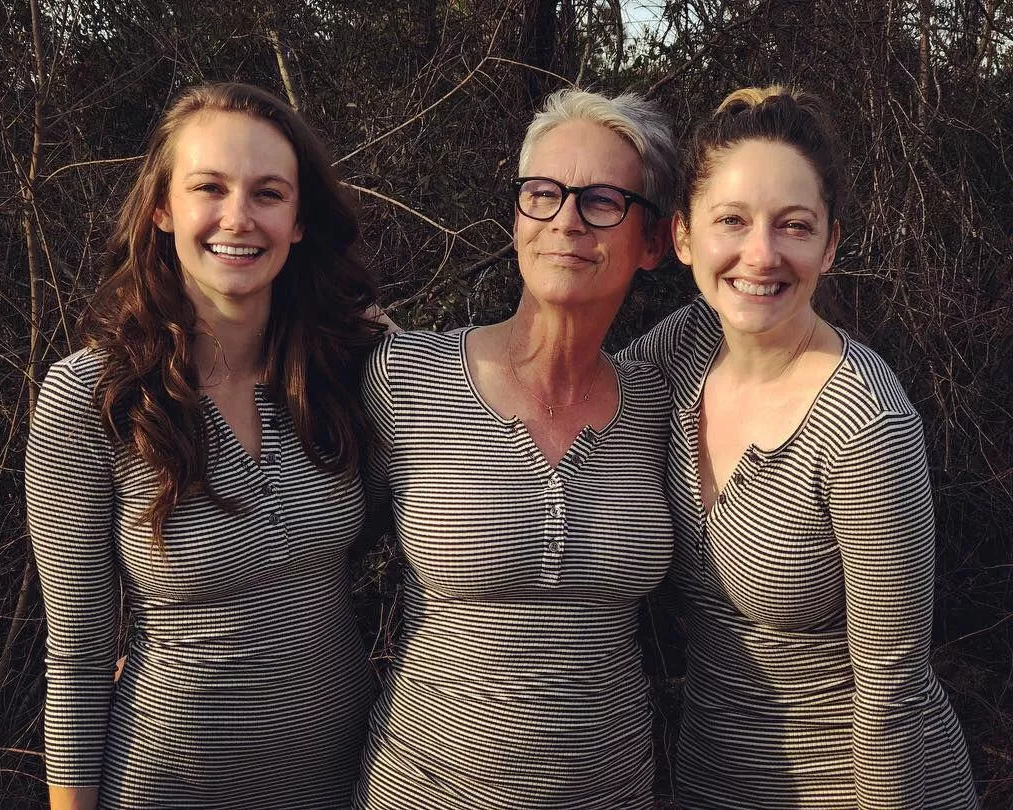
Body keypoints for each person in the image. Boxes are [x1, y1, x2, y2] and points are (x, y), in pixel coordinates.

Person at [25, 82, 382, 810]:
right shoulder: (91, 396)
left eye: (268, 193)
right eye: (209, 188)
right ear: (162, 208)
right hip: (165, 785)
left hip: (343, 782)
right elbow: (79, 654)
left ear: (299, 220)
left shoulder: (349, 371)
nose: (237, 217)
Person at [620, 85, 978, 809]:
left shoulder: (866, 426)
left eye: (794, 225)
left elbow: (894, 690)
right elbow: (569, 400)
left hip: (860, 787)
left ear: (830, 245)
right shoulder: (682, 347)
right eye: (732, 220)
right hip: (713, 779)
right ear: (684, 236)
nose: (761, 254)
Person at [353, 89, 678, 809]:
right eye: (543, 194)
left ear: (654, 242)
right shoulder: (407, 378)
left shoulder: (662, 402)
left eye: (602, 200)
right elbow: (311, 549)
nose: (566, 220)